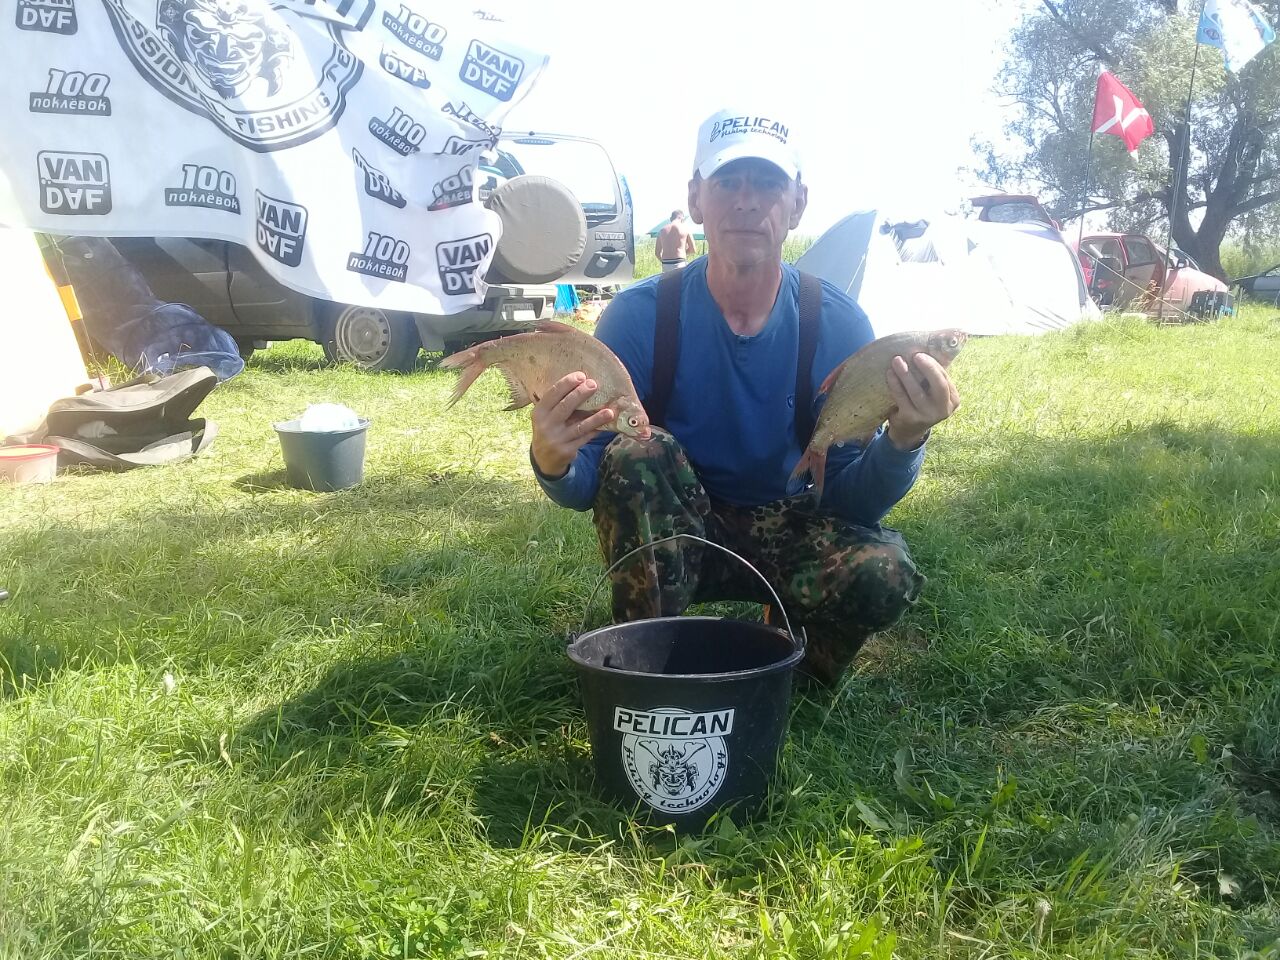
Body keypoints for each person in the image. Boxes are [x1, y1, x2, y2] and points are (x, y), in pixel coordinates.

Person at [528, 108, 961, 688]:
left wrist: (905, 441)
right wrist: (552, 461)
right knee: (637, 451)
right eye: (728, 181)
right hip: (679, 528)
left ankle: (796, 669)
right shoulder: (637, 316)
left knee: (884, 572)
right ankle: (651, 664)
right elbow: (588, 483)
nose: (747, 202)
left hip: (792, 522)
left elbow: (853, 503)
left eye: (768, 184)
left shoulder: (839, 323)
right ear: (696, 198)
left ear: (798, 203)